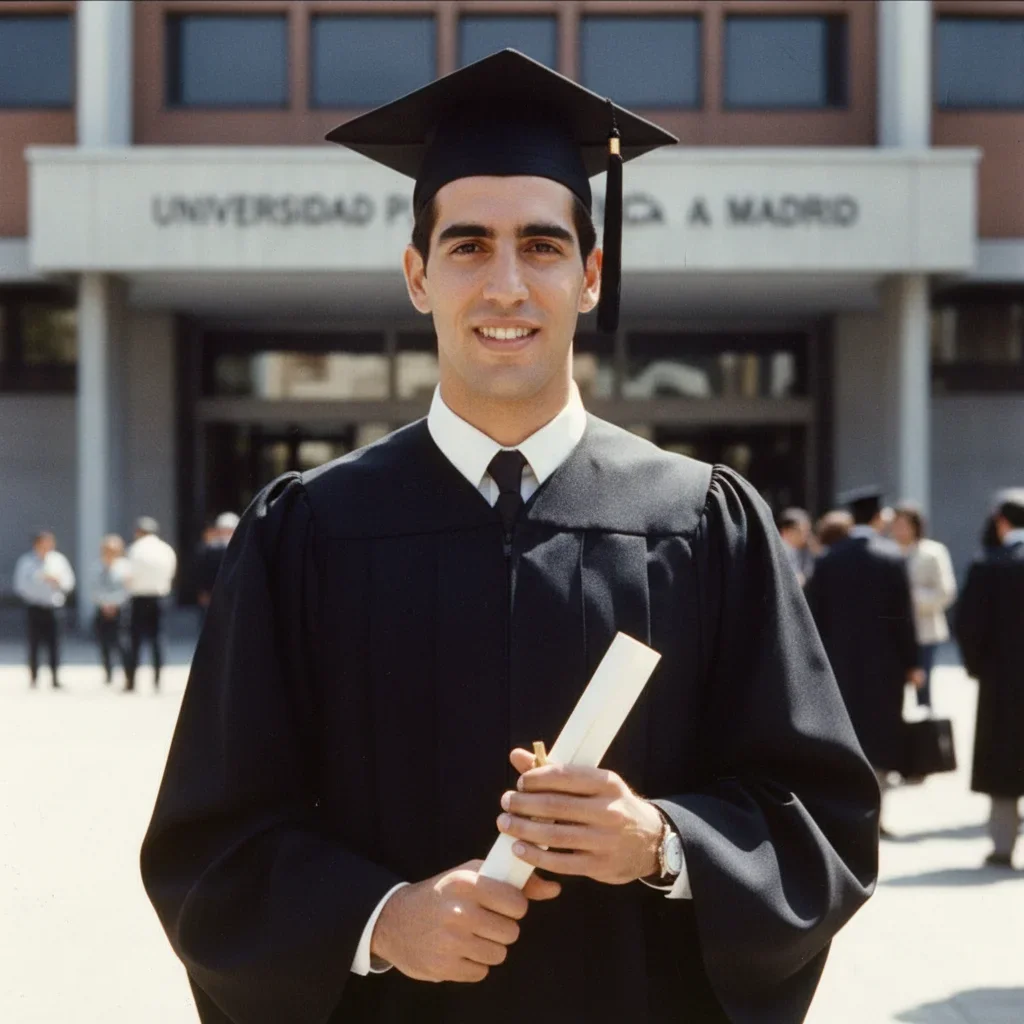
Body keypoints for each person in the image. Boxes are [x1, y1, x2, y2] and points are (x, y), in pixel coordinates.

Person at [141, 51, 878, 1024]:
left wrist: (661, 843)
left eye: (540, 245)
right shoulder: (308, 530)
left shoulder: (700, 522)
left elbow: (821, 820)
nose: (505, 285)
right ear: (417, 275)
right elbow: (210, 843)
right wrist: (377, 920)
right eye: (468, 246)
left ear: (589, 275)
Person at [805, 487, 921, 834]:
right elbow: (904, 618)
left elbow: (812, 617)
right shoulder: (891, 557)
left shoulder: (828, 559)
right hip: (884, 667)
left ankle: (844, 818)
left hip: (838, 666)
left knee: (845, 738)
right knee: (880, 740)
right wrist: (913, 662)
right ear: (877, 518)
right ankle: (875, 818)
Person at [955, 489, 1024, 868]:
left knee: (1005, 763)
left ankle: (1003, 845)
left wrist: (978, 667)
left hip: (1003, 682)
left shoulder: (989, 564)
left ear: (1001, 522)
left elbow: (968, 624)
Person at [890, 503, 957, 709]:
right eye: (896, 525)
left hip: (925, 630)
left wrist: (911, 598)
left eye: (904, 525)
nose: (900, 530)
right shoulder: (886, 552)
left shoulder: (933, 552)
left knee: (923, 686)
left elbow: (946, 592)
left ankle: (925, 722)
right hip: (893, 631)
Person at [12, 530, 75, 689]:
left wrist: (57, 581)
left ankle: (55, 678)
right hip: (35, 607)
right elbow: (20, 586)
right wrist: (39, 581)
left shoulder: (59, 560)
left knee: (55, 644)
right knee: (34, 644)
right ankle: (34, 677)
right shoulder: (26, 562)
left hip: (54, 607)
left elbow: (69, 582)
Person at [124, 516, 177, 693]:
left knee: (135, 641)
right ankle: (157, 681)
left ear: (139, 531)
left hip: (139, 598)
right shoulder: (166, 549)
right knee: (158, 640)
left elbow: (128, 575)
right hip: (159, 597)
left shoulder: (135, 549)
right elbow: (171, 573)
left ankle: (131, 681)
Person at [91, 534, 130, 685]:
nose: (109, 552)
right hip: (102, 609)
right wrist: (104, 604)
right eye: (107, 549)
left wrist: (114, 603)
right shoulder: (97, 567)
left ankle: (128, 675)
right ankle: (108, 673)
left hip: (120, 610)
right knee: (104, 643)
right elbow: (94, 589)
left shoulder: (125, 567)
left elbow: (127, 589)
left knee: (122, 643)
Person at [194, 512, 239, 610]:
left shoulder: (241, 548)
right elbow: (202, 572)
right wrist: (204, 591)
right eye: (223, 530)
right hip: (214, 594)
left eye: (229, 531)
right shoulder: (208, 549)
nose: (225, 534)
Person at [776, 506, 814, 585]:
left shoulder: (795, 550)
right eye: (802, 531)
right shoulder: (780, 551)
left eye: (808, 531)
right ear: (787, 530)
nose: (806, 535)